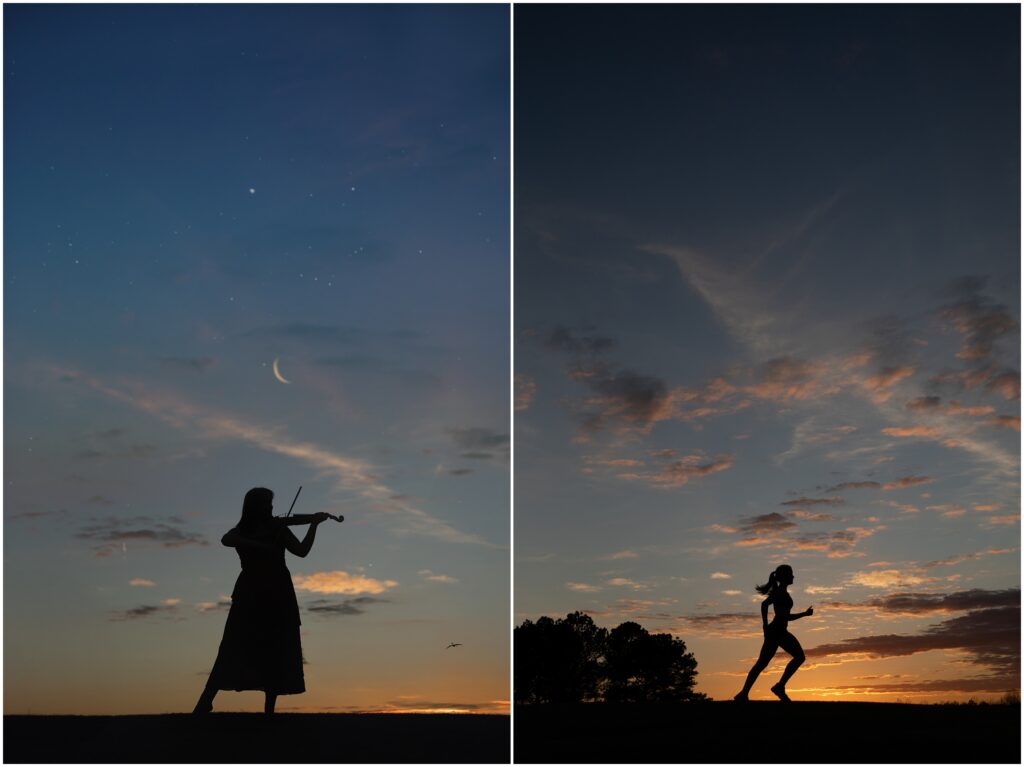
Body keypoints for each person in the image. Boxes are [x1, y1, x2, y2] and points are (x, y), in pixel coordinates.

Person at [193, 487, 332, 714]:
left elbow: (302, 550)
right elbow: (226, 539)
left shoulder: (277, 527)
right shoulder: (243, 529)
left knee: (276, 648)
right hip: (249, 593)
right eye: (266, 504)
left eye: (271, 505)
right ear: (255, 506)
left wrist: (313, 524)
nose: (270, 509)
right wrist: (262, 545)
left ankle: (269, 709)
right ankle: (205, 700)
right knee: (232, 645)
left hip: (278, 592)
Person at [733, 564, 813, 702]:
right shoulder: (780, 593)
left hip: (778, 631)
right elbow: (781, 615)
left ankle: (744, 693)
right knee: (798, 657)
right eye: (791, 574)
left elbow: (766, 606)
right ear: (784, 576)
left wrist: (765, 626)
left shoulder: (781, 592)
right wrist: (804, 614)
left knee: (762, 664)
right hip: (777, 632)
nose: (793, 576)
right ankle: (777, 687)